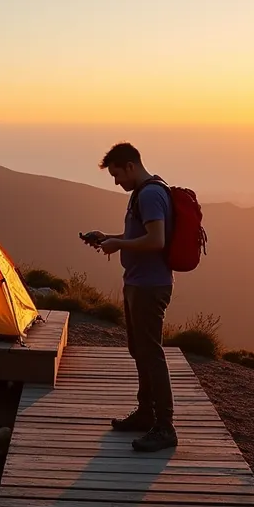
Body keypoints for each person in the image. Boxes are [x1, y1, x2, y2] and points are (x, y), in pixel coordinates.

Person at [82, 142, 177, 452]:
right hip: (138, 283)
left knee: (151, 353)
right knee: (140, 350)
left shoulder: (149, 194)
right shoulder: (144, 192)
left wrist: (118, 246)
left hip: (150, 286)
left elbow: (156, 240)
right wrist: (109, 238)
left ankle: (164, 427)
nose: (116, 182)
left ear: (131, 167)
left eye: (117, 174)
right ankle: (145, 414)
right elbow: (140, 236)